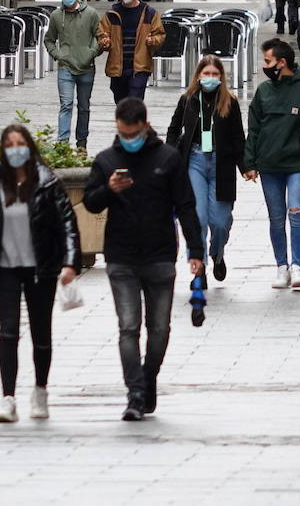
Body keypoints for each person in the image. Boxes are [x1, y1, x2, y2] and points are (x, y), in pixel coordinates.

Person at [83, 98, 205, 421]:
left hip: (160, 254)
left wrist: (196, 251)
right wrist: (109, 189)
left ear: (145, 126)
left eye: (133, 133)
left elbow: (186, 204)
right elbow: (91, 203)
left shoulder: (168, 159)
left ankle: (148, 376)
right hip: (121, 256)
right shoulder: (107, 160)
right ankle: (135, 391)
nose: (128, 139)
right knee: (128, 327)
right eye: (123, 133)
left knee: (160, 329)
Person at [0, 124, 82, 423]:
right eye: (10, 144)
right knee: (8, 332)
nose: (16, 149)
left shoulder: (47, 183)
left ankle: (40, 391)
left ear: (29, 147)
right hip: (3, 269)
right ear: (3, 151)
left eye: (20, 143)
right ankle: (8, 399)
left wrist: (70, 262)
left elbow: (67, 224)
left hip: (40, 268)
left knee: (41, 334)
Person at [243, 38, 300, 290]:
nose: (265, 65)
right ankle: (282, 266)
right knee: (276, 218)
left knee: (295, 210)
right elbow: (254, 128)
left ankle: (297, 265)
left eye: (268, 61)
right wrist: (249, 162)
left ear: (282, 62)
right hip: (269, 164)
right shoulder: (264, 91)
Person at [165, 56, 247, 284]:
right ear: (198, 76)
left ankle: (217, 254)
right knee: (197, 218)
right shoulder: (188, 99)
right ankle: (199, 267)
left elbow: (238, 138)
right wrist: (169, 157)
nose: (210, 78)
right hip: (195, 160)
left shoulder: (230, 102)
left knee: (221, 221)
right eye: (206, 74)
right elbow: (173, 129)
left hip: (221, 163)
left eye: (215, 74)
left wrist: (246, 167)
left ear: (221, 76)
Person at [44, 0, 103, 153]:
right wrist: (58, 55)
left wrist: (92, 52)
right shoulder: (56, 16)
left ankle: (81, 142)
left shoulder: (91, 14)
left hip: (86, 68)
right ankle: (62, 143)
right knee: (66, 104)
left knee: (84, 106)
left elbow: (101, 38)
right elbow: (49, 40)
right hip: (66, 68)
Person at [98, 0, 165, 103]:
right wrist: (104, 42)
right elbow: (102, 34)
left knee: (134, 104)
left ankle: (134, 123)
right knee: (121, 103)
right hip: (118, 68)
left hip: (139, 67)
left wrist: (153, 41)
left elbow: (160, 34)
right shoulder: (112, 13)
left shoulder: (149, 13)